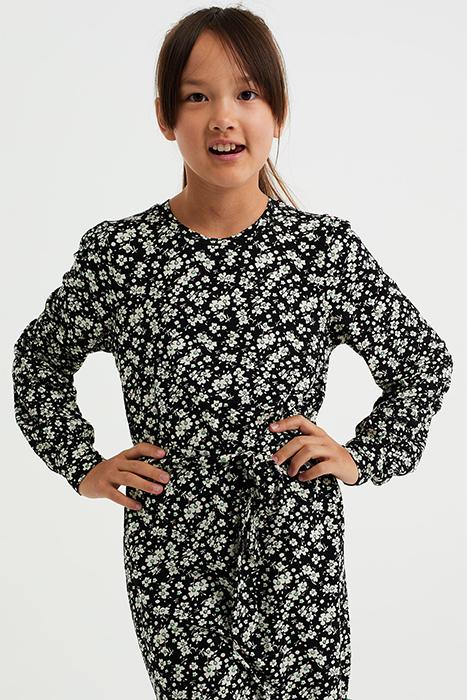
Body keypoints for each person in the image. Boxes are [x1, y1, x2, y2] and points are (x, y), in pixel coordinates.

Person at [11, 6, 453, 700]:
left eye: (247, 93)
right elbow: (39, 364)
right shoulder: (121, 255)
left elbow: (422, 362)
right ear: (165, 117)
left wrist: (365, 455)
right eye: (197, 96)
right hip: (172, 551)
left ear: (277, 113)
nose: (223, 117)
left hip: (294, 547)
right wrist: (81, 466)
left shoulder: (321, 252)